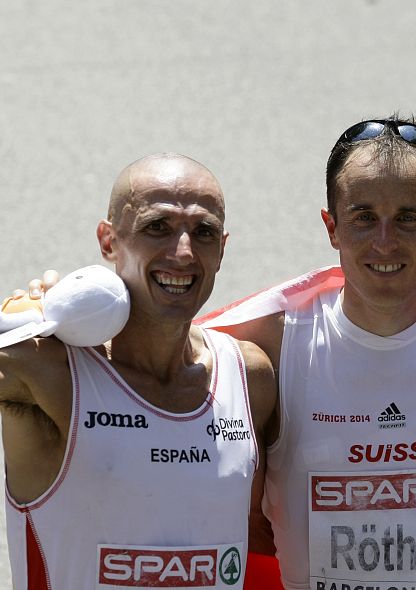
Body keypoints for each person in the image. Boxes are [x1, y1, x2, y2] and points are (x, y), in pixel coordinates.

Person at [200, 117, 416, 590]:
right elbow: (143, 364)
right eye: (363, 217)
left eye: (407, 217)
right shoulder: (274, 348)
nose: (385, 242)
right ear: (332, 227)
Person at [0, 153, 276, 588]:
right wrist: (13, 320)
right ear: (108, 241)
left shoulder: (249, 376)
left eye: (203, 232)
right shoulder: (45, 371)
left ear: (222, 249)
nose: (183, 252)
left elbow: (271, 535)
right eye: (157, 227)